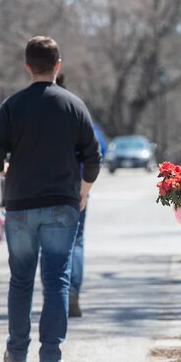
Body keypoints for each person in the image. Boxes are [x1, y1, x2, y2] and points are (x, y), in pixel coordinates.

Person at [0, 36, 102, 362]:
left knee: (21, 281)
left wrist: (6, 167)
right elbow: (93, 158)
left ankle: (17, 354)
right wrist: (82, 191)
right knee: (56, 283)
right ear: (58, 65)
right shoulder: (73, 105)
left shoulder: (12, 106)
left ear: (27, 66)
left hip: (20, 205)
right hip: (61, 205)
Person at [56, 73, 109, 318]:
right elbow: (98, 148)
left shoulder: (29, 109)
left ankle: (56, 293)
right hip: (76, 187)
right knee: (75, 241)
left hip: (41, 189)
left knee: (49, 243)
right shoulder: (76, 108)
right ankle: (72, 291)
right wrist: (85, 188)